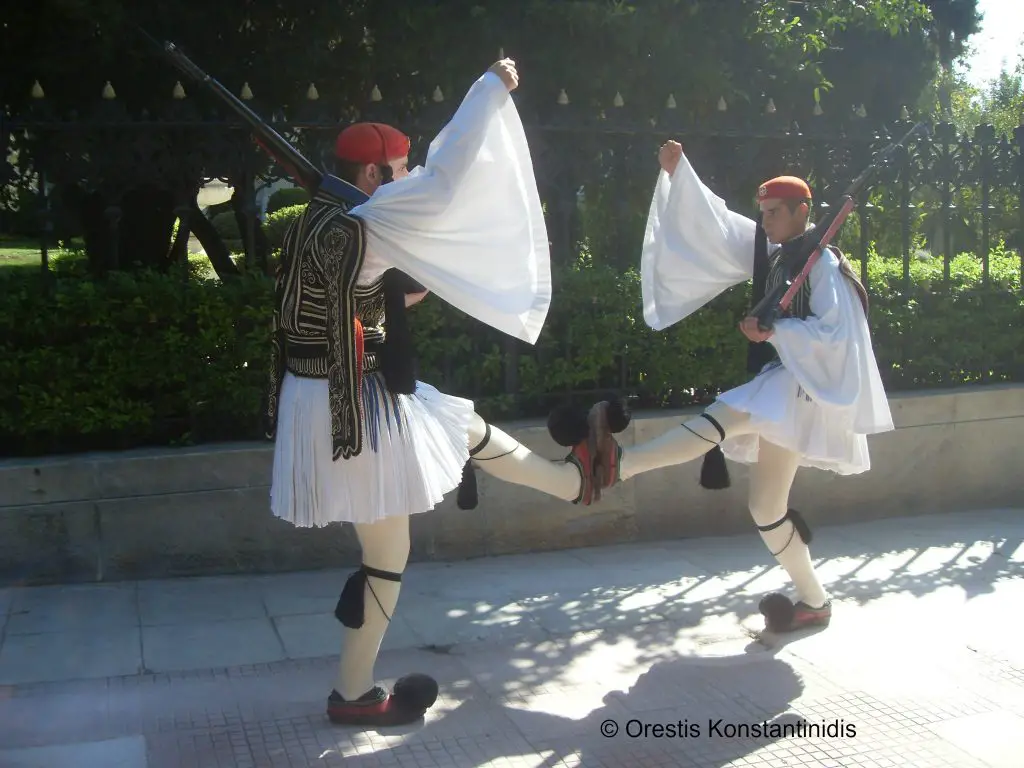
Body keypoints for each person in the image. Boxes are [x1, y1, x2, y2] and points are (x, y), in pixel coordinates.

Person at [265, 59, 608, 729]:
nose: (406, 177)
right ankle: (354, 693)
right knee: (388, 554)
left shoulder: (314, 222)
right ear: (372, 176)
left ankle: (574, 484)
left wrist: (398, 291)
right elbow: (448, 178)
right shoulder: (372, 213)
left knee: (463, 428)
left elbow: (359, 293)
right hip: (351, 406)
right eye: (397, 169)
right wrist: (489, 89)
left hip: (316, 399)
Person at [583, 139, 894, 634]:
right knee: (766, 507)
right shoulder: (772, 252)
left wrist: (778, 330)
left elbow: (839, 336)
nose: (766, 221)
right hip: (785, 387)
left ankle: (621, 464)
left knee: (727, 413)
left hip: (801, 387)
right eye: (764, 213)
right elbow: (716, 224)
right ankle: (814, 602)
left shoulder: (826, 265)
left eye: (775, 213)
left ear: (802, 211)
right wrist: (680, 170)